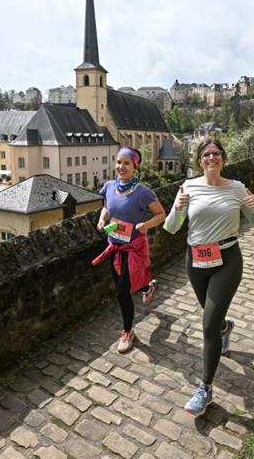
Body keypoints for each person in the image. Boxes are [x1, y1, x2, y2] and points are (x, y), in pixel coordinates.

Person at [163, 138, 254, 416]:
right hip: (195, 261)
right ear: (199, 160)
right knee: (214, 317)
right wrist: (178, 207)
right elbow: (171, 228)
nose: (212, 158)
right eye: (207, 154)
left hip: (227, 260)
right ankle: (225, 328)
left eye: (217, 154)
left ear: (223, 158)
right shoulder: (188, 187)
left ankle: (205, 388)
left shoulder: (236, 188)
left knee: (207, 323)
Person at [94, 147, 166, 354]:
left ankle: (128, 332)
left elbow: (161, 213)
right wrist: (102, 219)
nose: (121, 167)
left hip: (133, 249)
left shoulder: (143, 192)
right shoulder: (108, 186)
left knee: (122, 291)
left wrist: (146, 225)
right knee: (129, 284)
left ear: (136, 165)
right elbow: (107, 207)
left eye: (126, 163)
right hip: (114, 247)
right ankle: (147, 288)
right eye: (118, 162)